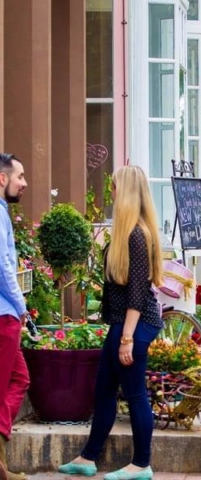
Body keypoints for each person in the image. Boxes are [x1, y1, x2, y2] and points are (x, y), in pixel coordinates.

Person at [59, 165, 164, 480]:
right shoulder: (127, 233)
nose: (112, 192)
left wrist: (127, 339)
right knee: (104, 389)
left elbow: (137, 293)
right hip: (123, 322)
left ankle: (141, 465)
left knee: (134, 394)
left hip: (134, 324)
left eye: (115, 186)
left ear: (126, 192)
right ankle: (87, 458)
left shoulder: (137, 235)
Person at [0, 153, 30, 480]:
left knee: (20, 378)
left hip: (6, 313)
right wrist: (22, 307)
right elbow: (3, 267)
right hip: (4, 316)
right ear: (2, 178)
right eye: (19, 176)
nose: (24, 183)